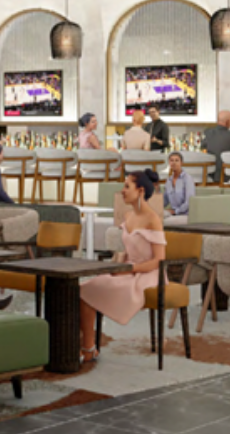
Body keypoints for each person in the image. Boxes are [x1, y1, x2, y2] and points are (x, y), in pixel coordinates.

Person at [78, 170, 166, 363]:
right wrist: (116, 267)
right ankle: (86, 346)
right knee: (82, 289)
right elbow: (128, 250)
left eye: (127, 186)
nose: (122, 191)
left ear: (141, 191)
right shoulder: (128, 216)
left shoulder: (153, 219)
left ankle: (87, 348)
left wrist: (131, 270)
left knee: (88, 291)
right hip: (127, 270)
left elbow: (159, 259)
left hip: (148, 275)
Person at [202, 110, 230, 183]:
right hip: (226, 176)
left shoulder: (208, 133)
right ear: (228, 122)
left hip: (209, 174)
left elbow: (202, 148)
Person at [163, 152, 195, 223]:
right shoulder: (168, 180)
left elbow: (189, 202)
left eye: (176, 160)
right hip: (172, 213)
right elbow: (165, 200)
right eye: (171, 160)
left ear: (181, 163)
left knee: (163, 221)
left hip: (185, 214)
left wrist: (175, 211)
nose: (174, 163)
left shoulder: (187, 179)